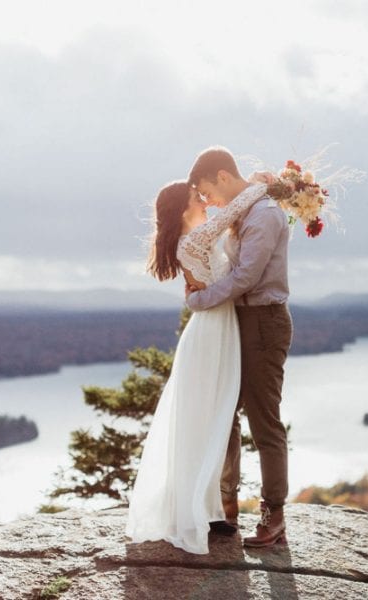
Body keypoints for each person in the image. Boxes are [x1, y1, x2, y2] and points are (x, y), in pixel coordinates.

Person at [125, 175, 268, 554]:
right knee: (208, 417)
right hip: (210, 334)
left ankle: (205, 508)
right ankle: (198, 510)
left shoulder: (194, 239)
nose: (205, 201)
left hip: (217, 328)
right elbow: (234, 209)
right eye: (197, 197)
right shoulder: (194, 239)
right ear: (183, 208)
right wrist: (265, 183)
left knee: (213, 418)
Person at [185, 146, 293, 549]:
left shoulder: (264, 215)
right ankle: (224, 508)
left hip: (263, 322)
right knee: (224, 411)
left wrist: (200, 299)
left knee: (264, 422)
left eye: (207, 191)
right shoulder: (246, 207)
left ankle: (274, 516)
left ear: (223, 177)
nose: (208, 201)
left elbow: (247, 276)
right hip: (240, 321)